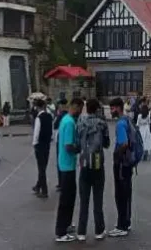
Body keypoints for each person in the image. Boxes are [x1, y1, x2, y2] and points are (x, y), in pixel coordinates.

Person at [76, 99, 110, 242]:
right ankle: (99, 230)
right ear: (97, 109)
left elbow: (77, 142)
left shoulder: (80, 122)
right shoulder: (102, 123)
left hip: (84, 162)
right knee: (98, 199)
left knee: (84, 201)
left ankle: (81, 231)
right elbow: (107, 144)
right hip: (97, 163)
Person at [54, 98, 83, 242]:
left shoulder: (65, 119)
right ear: (76, 107)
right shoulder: (70, 123)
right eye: (80, 108)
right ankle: (60, 231)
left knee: (70, 196)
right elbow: (68, 146)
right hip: (67, 165)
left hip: (65, 164)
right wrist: (80, 147)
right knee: (66, 199)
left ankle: (66, 224)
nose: (80, 112)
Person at [109, 98, 133, 237]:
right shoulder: (127, 120)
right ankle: (127, 222)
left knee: (121, 194)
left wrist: (116, 155)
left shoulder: (120, 124)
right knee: (127, 193)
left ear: (118, 108)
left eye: (112, 109)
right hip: (128, 163)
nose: (111, 111)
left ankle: (121, 225)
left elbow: (123, 143)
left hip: (122, 163)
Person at [32, 99, 54, 198]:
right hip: (47, 144)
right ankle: (38, 185)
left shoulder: (38, 118)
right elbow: (51, 129)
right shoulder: (49, 116)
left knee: (41, 168)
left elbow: (36, 132)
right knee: (43, 166)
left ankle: (44, 190)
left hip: (40, 144)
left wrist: (34, 143)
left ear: (37, 107)